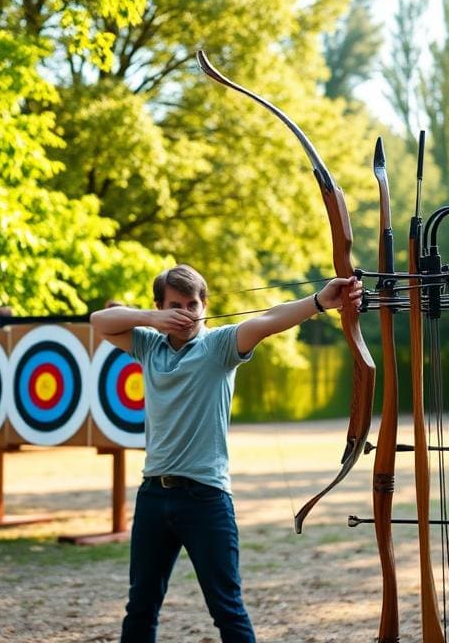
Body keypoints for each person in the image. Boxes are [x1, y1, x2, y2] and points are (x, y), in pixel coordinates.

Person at [90, 263, 363, 643]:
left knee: (226, 608)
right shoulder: (148, 346)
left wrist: (318, 301)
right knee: (141, 606)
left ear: (205, 305)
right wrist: (153, 320)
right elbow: (99, 319)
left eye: (192, 304)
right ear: (160, 307)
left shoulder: (218, 346)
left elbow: (268, 320)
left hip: (206, 499)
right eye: (176, 306)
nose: (186, 313)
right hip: (153, 495)